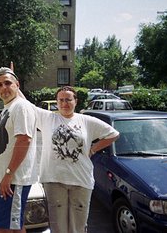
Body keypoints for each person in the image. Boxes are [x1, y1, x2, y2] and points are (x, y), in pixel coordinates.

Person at [36, 86, 119, 233]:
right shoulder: (47, 118)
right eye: (61, 100)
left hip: (81, 181)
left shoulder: (87, 121)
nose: (64, 103)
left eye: (68, 99)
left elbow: (113, 134)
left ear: (76, 101)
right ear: (56, 102)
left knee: (78, 228)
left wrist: (92, 149)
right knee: (58, 227)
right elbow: (26, 106)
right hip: (54, 180)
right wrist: (14, 82)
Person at [0, 67, 38, 233]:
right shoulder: (8, 108)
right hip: (0, 179)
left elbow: (24, 140)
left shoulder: (20, 106)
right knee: (11, 226)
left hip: (11, 180)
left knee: (5, 229)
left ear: (17, 84)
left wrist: (8, 174)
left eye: (7, 83)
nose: (3, 88)